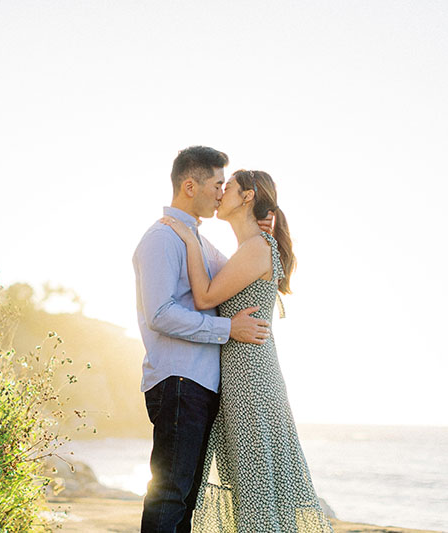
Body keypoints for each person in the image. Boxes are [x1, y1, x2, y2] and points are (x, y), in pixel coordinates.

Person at [160, 170, 334, 532]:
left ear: (248, 197)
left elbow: (206, 295)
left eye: (229, 188)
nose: (221, 193)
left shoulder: (257, 247)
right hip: (244, 375)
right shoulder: (251, 248)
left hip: (251, 378)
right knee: (250, 484)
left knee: (255, 486)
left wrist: (191, 242)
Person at [133, 147, 273, 533]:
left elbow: (233, 277)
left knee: (185, 500)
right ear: (190, 184)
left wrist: (260, 233)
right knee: (169, 495)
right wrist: (228, 330)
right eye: (216, 184)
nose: (219, 192)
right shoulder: (162, 238)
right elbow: (160, 314)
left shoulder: (197, 240)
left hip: (198, 385)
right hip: (178, 382)